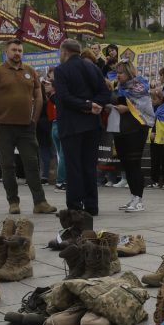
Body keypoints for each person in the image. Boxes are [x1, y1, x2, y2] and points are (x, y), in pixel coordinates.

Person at [0, 39, 57, 215]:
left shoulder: (30, 71)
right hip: (3, 127)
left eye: (20, 50)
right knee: (8, 166)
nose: (17, 53)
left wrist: (34, 119)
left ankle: (40, 202)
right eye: (14, 50)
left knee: (32, 165)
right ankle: (13, 202)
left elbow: (39, 97)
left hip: (26, 127)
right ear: (6, 52)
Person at [54, 38, 111, 216]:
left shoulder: (61, 70)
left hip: (72, 124)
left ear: (64, 52)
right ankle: (92, 205)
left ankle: (75, 206)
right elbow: (105, 92)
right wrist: (95, 105)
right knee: (89, 166)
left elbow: (63, 96)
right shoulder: (93, 67)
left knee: (73, 167)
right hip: (92, 125)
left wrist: (86, 105)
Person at [112, 61, 154, 212]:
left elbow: (144, 107)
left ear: (129, 73)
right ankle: (133, 197)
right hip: (122, 129)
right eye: (117, 72)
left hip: (136, 128)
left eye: (121, 72)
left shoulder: (139, 86)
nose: (118, 75)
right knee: (126, 164)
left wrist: (127, 109)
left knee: (134, 163)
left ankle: (139, 199)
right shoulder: (120, 87)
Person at [148, 88, 164, 189]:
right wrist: (151, 133)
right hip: (153, 138)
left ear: (160, 99)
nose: (152, 101)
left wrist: (155, 132)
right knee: (154, 160)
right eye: (151, 99)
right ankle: (154, 181)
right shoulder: (152, 108)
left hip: (163, 139)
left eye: (154, 99)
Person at [37, 79, 56, 185]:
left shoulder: (42, 100)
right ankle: (50, 175)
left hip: (43, 127)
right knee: (50, 151)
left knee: (45, 151)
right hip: (48, 125)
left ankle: (45, 175)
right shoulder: (47, 99)